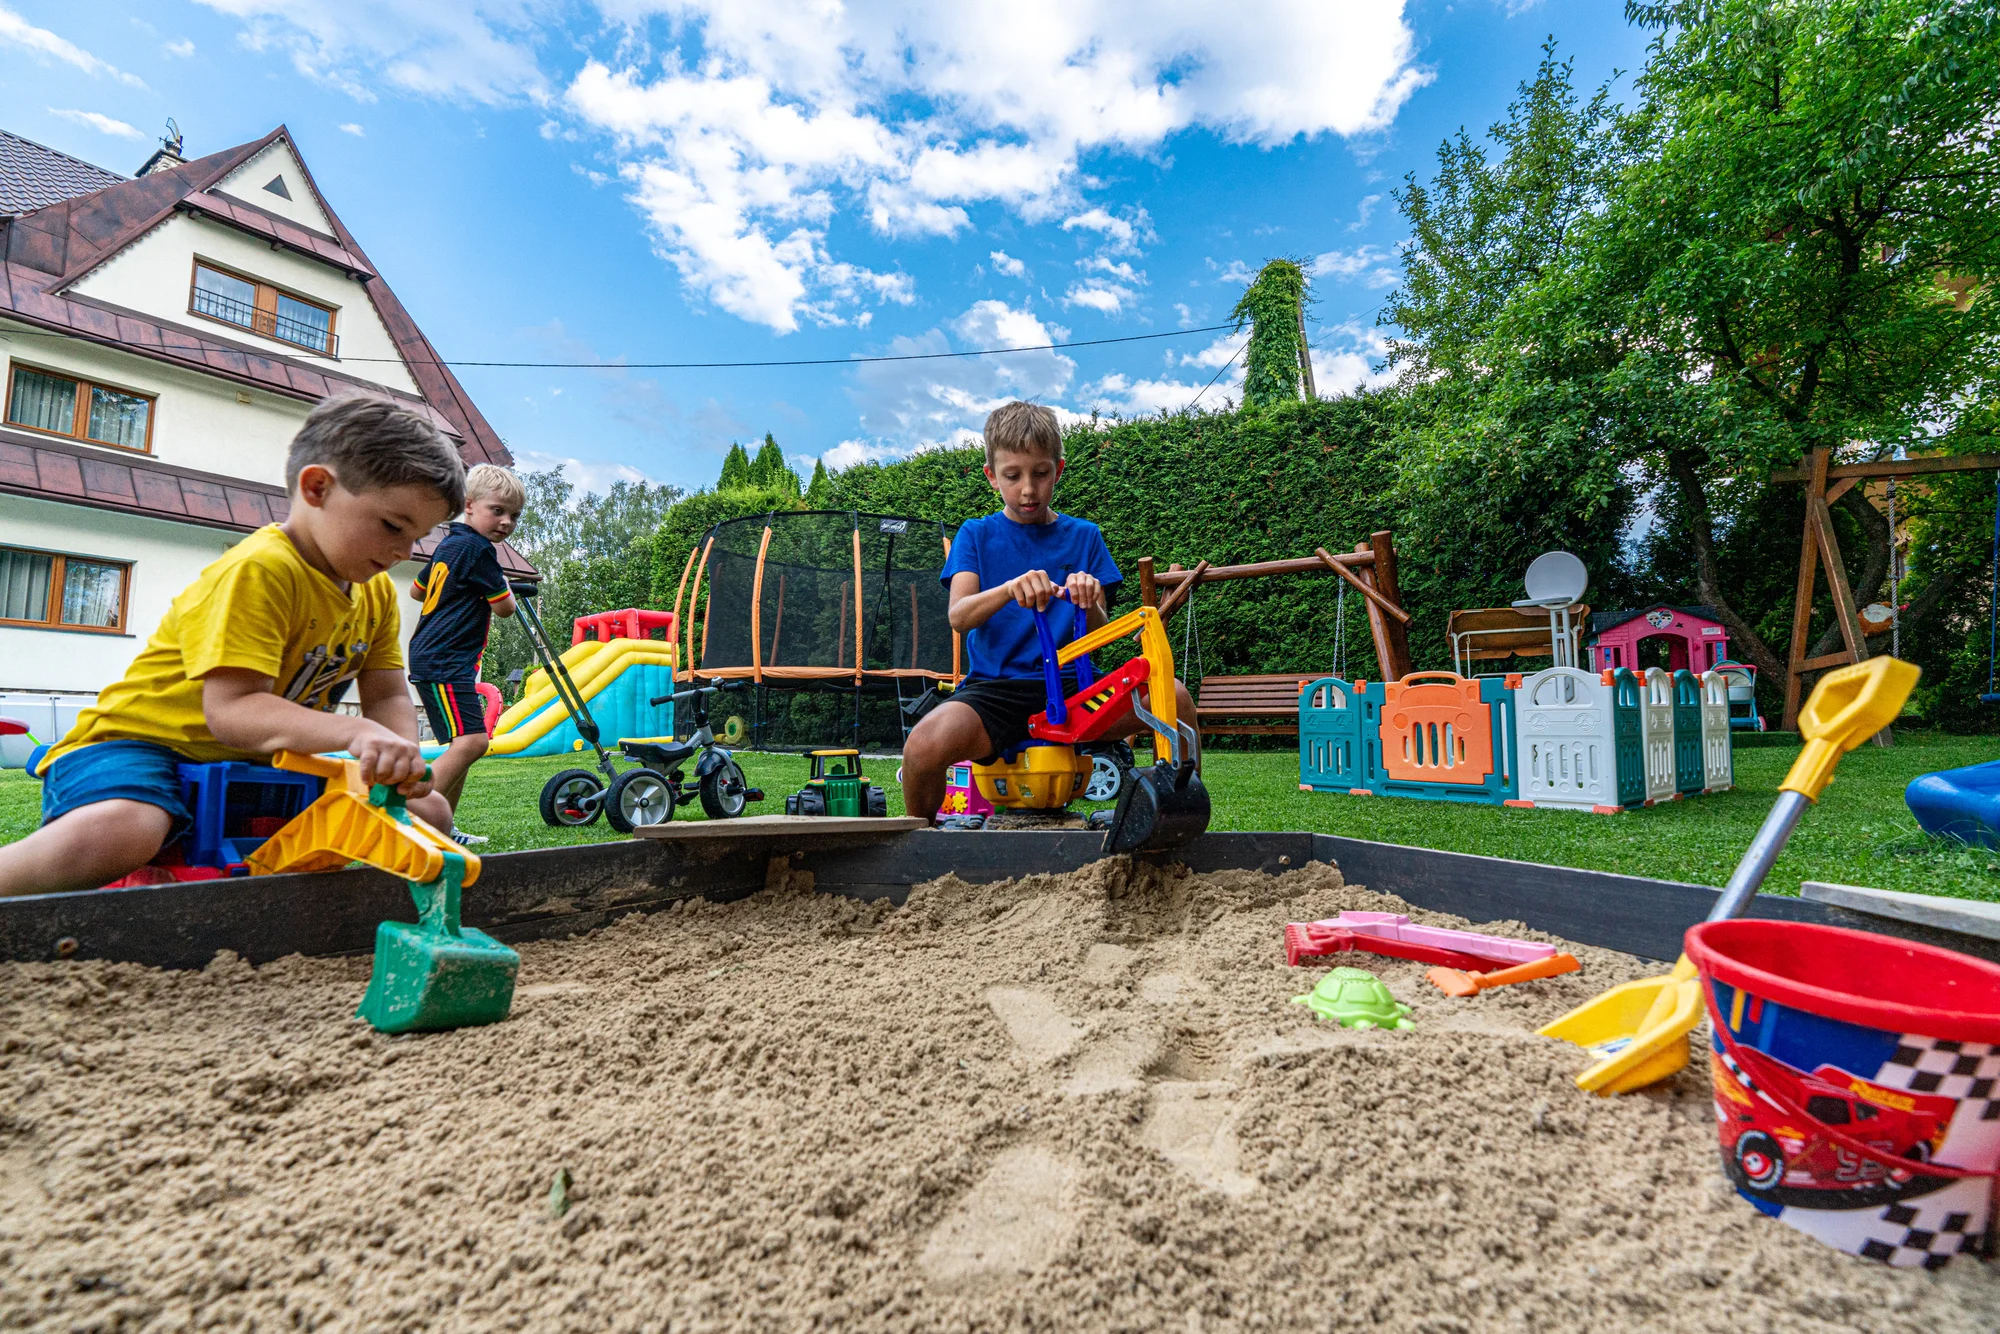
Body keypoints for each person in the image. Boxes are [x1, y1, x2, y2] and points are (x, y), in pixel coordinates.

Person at [0, 396, 463, 896]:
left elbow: (389, 695)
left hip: (261, 766)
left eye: (417, 537)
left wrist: (398, 759)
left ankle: (342, 928)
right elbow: (233, 711)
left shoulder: (374, 593)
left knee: (429, 811)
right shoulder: (261, 569)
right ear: (317, 487)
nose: (402, 552)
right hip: (136, 746)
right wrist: (355, 732)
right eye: (393, 526)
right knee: (126, 828)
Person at [901, 401, 1196, 825]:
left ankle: (1181, 821)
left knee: (1178, 698)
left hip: (1076, 689)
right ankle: (920, 839)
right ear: (991, 477)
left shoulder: (1085, 536)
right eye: (1013, 475)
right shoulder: (976, 534)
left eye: (1040, 474)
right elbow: (959, 616)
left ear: (1058, 470)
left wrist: (1088, 598)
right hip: (995, 692)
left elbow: (1099, 628)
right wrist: (1007, 588)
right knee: (923, 746)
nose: (1027, 489)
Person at [406, 463, 522, 842]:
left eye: (514, 516)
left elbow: (417, 591)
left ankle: (442, 828)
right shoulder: (479, 550)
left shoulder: (450, 544)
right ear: (469, 505)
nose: (506, 522)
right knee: (474, 742)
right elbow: (504, 607)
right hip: (446, 659)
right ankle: (410, 807)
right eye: (498, 511)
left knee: (463, 744)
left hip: (436, 656)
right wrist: (503, 583)